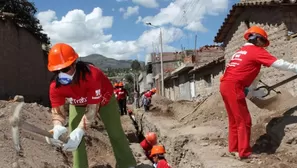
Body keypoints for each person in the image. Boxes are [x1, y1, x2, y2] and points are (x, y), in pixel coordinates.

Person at [46, 43, 137, 168]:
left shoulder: (92, 76)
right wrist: (57, 126)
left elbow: (92, 110)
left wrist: (80, 130)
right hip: (78, 104)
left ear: (74, 63)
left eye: (65, 69)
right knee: (74, 138)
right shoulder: (55, 87)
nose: (62, 74)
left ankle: (127, 163)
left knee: (115, 132)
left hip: (104, 101)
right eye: (57, 71)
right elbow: (58, 112)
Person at [220, 26, 297, 160]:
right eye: (262, 42)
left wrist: (250, 91)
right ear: (256, 38)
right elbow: (278, 63)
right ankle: (244, 153)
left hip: (226, 85)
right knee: (245, 120)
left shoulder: (239, 52)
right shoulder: (255, 51)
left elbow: (243, 72)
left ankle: (234, 149)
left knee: (234, 120)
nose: (263, 46)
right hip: (234, 86)